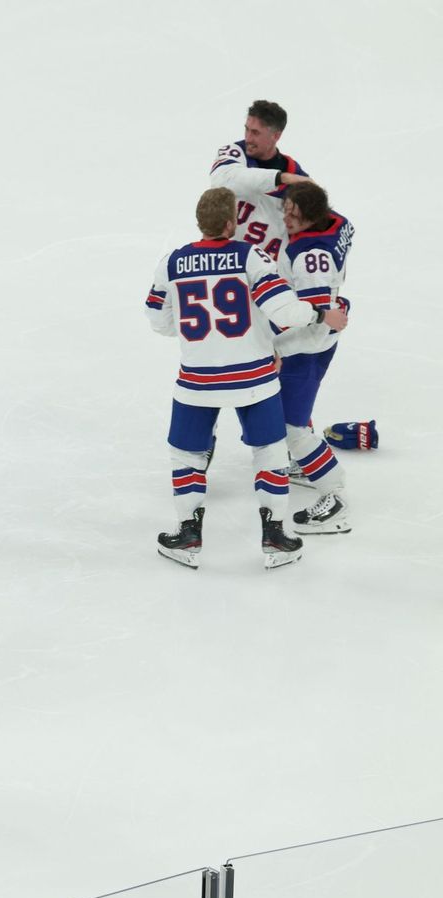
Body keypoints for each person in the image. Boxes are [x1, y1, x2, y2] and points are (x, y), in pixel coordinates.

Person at [144, 188, 347, 569]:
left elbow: (159, 320)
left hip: (197, 380)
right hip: (254, 378)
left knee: (187, 456)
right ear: (230, 223)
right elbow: (285, 311)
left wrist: (201, 337)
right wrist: (322, 315)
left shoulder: (172, 261)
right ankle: (276, 536)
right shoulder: (249, 256)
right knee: (270, 452)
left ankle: (187, 533)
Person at [276, 181, 356, 534]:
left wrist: (278, 347)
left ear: (312, 217)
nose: (286, 219)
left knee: (289, 427)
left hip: (306, 348)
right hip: (316, 344)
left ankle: (333, 495)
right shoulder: (337, 222)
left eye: (294, 215)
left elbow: (317, 320)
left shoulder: (311, 259)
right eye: (286, 210)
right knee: (293, 416)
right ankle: (305, 463)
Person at [208, 100, 312, 262]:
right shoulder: (235, 153)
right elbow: (223, 180)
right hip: (225, 262)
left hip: (267, 272)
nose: (248, 138)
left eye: (255, 133)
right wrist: (279, 178)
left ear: (276, 136)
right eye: (247, 129)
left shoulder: (297, 179)